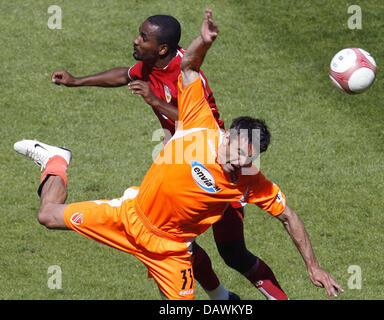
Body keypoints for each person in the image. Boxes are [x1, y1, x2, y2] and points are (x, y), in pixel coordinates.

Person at [14, 9, 343, 300]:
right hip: (129, 215)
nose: (240, 162)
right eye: (239, 152)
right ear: (227, 136)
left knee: (231, 251)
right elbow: (186, 67)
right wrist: (206, 42)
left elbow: (288, 215)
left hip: (170, 250)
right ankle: (56, 160)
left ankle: (222, 295)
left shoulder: (247, 178)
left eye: (248, 159)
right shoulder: (198, 127)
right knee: (48, 217)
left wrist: (314, 267)